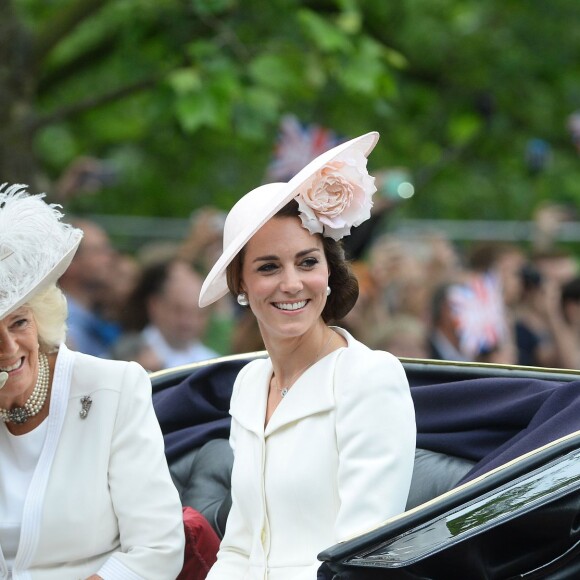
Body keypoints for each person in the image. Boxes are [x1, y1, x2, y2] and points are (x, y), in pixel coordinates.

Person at [198, 132, 416, 579]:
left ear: (329, 270)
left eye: (307, 262)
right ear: (240, 284)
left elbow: (361, 558)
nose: (292, 283)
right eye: (268, 267)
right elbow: (238, 548)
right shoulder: (249, 383)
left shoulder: (370, 377)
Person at [0, 184, 184, 579]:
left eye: (18, 322)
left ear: (40, 319)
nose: (8, 347)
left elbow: (158, 547)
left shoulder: (113, 388)